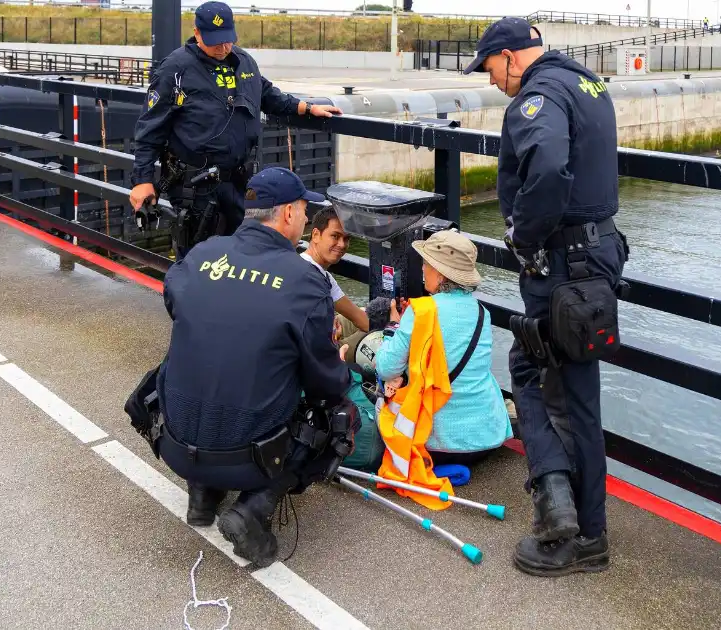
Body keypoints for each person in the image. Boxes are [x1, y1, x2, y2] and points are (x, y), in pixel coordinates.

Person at [463, 18, 629, 576]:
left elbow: (552, 168)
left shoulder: (537, 96)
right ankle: (563, 504)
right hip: (595, 255)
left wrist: (522, 234)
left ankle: (577, 532)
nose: (493, 81)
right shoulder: (586, 82)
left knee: (558, 389)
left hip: (561, 262)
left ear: (511, 56)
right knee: (550, 376)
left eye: (490, 68)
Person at [142, 166, 355, 568]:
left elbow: (175, 302)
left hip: (173, 442)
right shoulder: (305, 281)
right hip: (248, 457)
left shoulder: (202, 254)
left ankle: (202, 493)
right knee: (339, 414)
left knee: (202, 361)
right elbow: (327, 382)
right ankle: (254, 508)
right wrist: (337, 365)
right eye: (304, 211)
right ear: (288, 214)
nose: (308, 219)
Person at [127, 1, 342, 260]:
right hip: (198, 189)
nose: (223, 47)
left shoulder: (244, 62)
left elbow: (266, 93)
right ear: (197, 33)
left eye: (227, 39)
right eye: (215, 41)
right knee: (199, 260)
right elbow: (150, 127)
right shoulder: (175, 70)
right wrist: (142, 180)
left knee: (243, 257)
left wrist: (305, 107)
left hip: (241, 184)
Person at [372, 230, 513, 467]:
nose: (423, 269)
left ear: (440, 273)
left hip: (435, 445)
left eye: (426, 263)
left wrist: (394, 325)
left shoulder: (421, 311)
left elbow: (386, 368)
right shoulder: (482, 313)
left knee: (382, 387)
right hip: (486, 439)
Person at [303, 207, 369, 334]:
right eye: (335, 236)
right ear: (316, 235)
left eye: (346, 239)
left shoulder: (324, 276)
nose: (342, 244)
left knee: (365, 313)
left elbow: (358, 317)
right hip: (311, 349)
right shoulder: (310, 277)